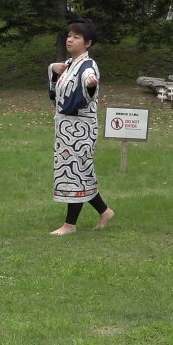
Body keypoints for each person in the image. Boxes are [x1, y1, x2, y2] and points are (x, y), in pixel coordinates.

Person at [47, 18, 115, 235]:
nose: (70, 39)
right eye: (69, 35)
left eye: (76, 37)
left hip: (81, 129)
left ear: (88, 43)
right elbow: (56, 94)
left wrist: (91, 84)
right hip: (66, 129)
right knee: (79, 172)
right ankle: (105, 211)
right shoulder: (68, 64)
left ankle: (70, 224)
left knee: (75, 172)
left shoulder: (88, 65)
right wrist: (54, 70)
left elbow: (88, 79)